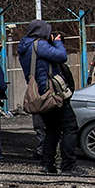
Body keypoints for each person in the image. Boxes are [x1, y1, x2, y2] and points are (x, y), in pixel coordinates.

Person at [18, 20, 80, 175]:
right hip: (52, 94)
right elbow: (61, 56)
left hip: (40, 93)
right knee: (70, 127)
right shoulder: (39, 45)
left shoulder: (25, 48)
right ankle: (68, 166)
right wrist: (58, 42)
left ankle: (47, 165)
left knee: (52, 130)